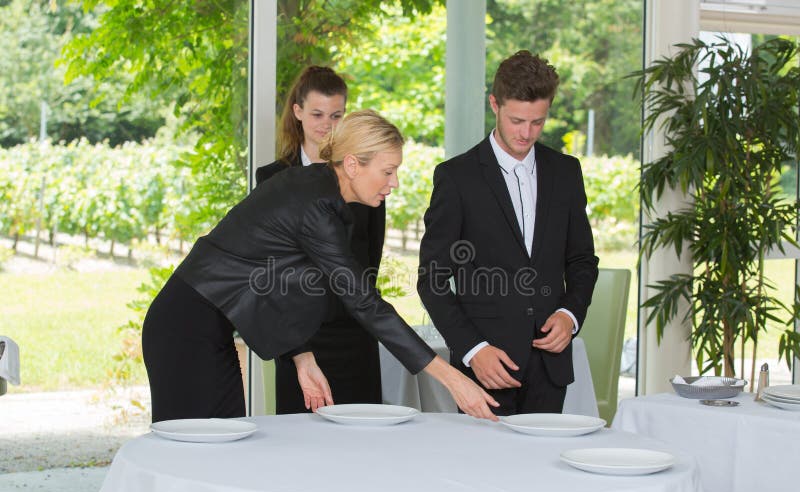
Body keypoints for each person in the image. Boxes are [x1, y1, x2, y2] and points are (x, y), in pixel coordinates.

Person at [142, 110, 498, 423]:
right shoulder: (317, 208)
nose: (395, 183)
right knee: (195, 449)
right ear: (354, 165)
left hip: (204, 328)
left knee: (220, 444)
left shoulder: (316, 192)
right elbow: (364, 303)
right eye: (388, 171)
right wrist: (453, 379)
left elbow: (269, 281)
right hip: (185, 330)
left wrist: (302, 356)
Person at [417, 51, 599, 416]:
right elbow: (433, 279)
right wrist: (472, 349)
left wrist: (570, 314)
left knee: (543, 471)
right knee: (483, 473)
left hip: (550, 368)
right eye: (517, 120)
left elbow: (582, 260)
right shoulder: (456, 178)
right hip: (484, 370)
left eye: (537, 122)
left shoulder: (566, 172)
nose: (526, 133)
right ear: (494, 104)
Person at [255, 66, 386, 414]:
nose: (326, 124)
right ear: (297, 112)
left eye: (336, 115)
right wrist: (296, 346)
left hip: (355, 336)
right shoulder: (271, 178)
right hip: (299, 340)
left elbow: (370, 260)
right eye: (317, 114)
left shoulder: (364, 175)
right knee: (299, 450)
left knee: (363, 444)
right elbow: (271, 268)